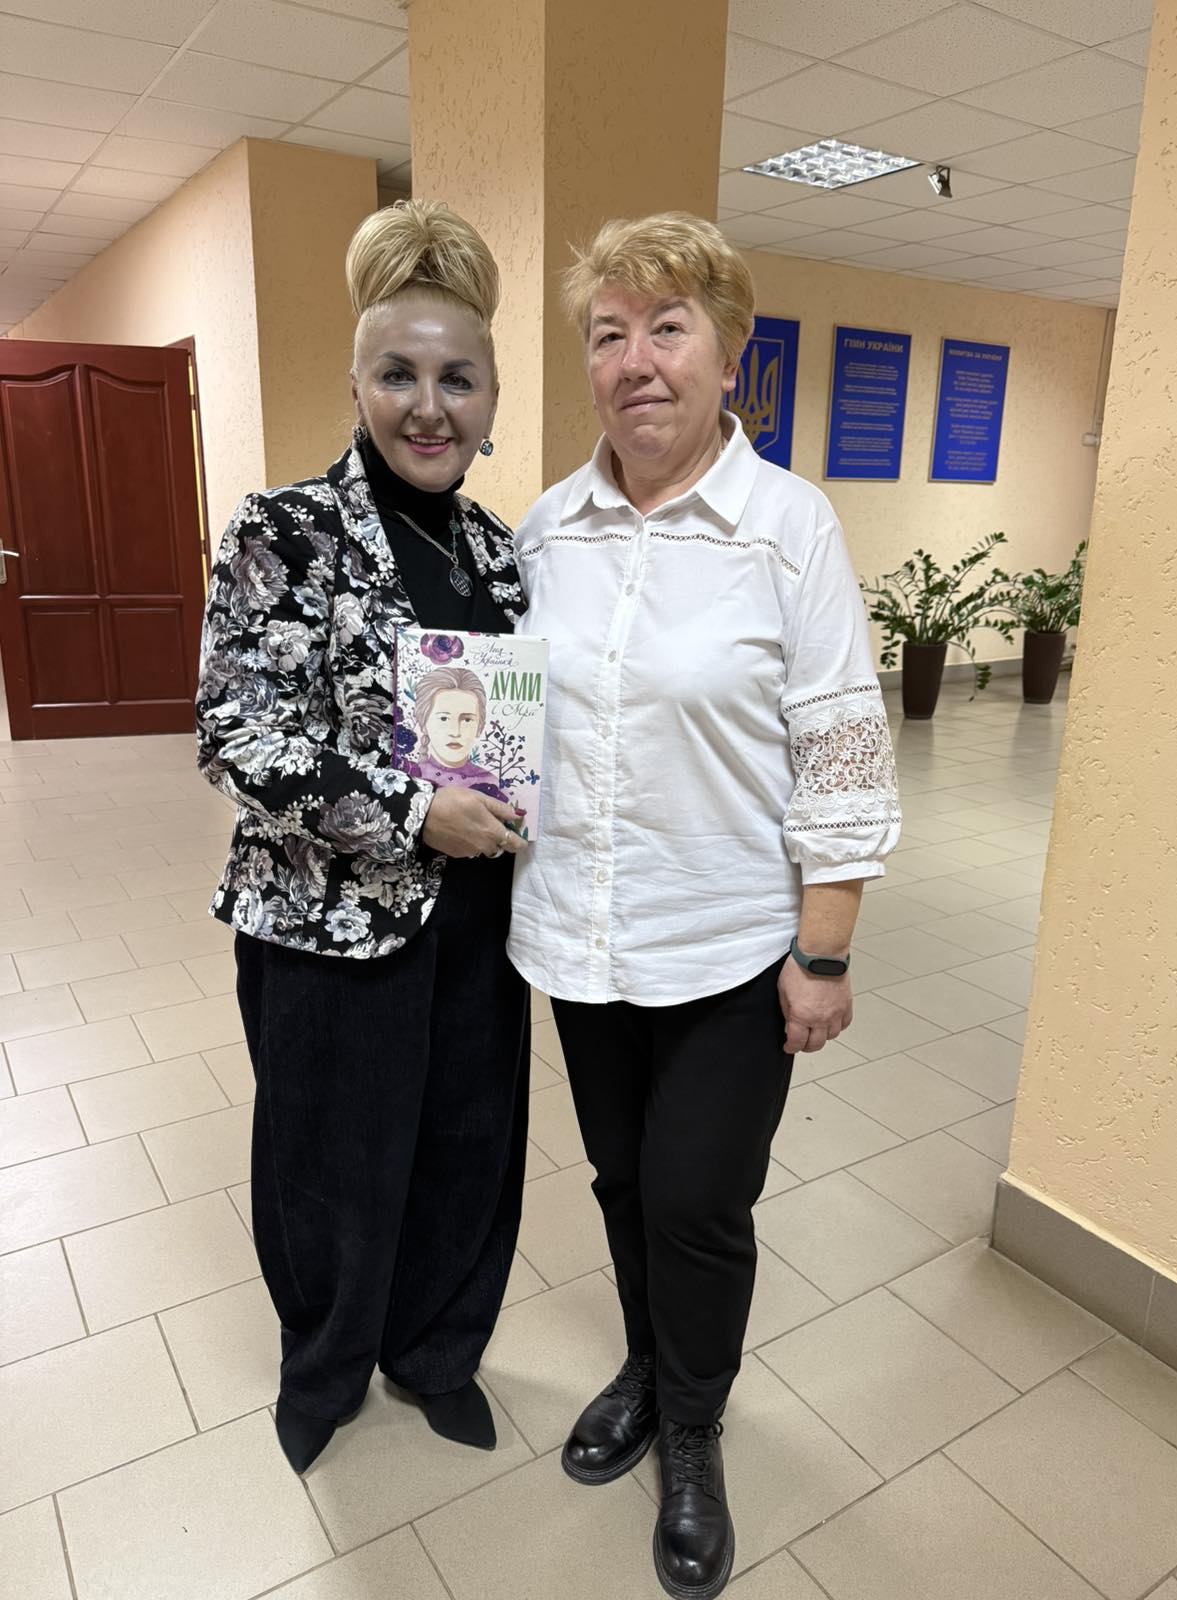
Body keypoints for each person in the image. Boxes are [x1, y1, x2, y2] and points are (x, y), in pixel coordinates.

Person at [508, 213, 901, 1600]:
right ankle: (643, 1359)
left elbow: (841, 750)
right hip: (581, 934)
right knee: (622, 1181)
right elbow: (508, 724)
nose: (635, 361)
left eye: (667, 328)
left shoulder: (787, 527)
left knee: (695, 1198)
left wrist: (823, 952)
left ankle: (692, 1428)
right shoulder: (546, 529)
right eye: (608, 333)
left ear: (730, 354)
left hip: (732, 944)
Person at [196, 200, 529, 1475]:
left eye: (457, 379)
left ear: (492, 395)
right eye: (399, 374)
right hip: (327, 919)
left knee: (466, 1145)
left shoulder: (500, 556)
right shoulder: (283, 530)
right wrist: (408, 809)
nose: (428, 408)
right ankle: (326, 1365)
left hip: (480, 918)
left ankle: (436, 1351)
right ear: (356, 383)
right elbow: (236, 730)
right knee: (329, 1158)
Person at [410, 666, 505, 794]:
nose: (455, 732)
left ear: (479, 726)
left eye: (467, 720)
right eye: (443, 718)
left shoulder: (492, 783)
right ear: (424, 724)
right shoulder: (408, 778)